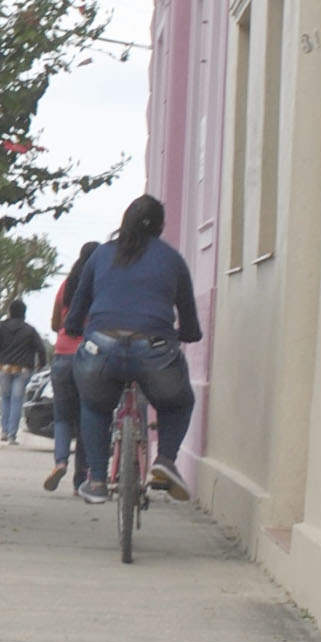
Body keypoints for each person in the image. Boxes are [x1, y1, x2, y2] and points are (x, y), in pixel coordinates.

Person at [64, 194, 202, 504]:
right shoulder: (171, 259)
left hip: (101, 349)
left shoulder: (100, 256)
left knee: (94, 405)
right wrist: (189, 333)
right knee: (178, 403)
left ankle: (97, 480)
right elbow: (189, 316)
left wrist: (73, 328)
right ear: (160, 227)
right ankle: (165, 461)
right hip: (154, 349)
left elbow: (78, 305)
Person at [42, 240, 99, 492]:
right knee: (90, 416)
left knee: (63, 416)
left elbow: (55, 323)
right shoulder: (101, 286)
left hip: (63, 355)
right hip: (91, 356)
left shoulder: (67, 285)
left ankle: (60, 461)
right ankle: (81, 480)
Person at [0, 297, 46, 444]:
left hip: (4, 367)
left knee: (5, 398)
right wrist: (41, 364)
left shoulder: (1, 327)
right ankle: (12, 435)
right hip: (23, 369)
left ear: (10, 312)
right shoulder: (30, 330)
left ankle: (4, 431)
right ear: (24, 313)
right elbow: (41, 348)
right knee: (16, 400)